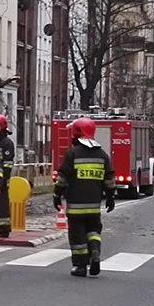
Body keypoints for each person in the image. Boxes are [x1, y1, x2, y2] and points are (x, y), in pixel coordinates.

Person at [56, 117, 115, 277]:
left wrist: (57, 195)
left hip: (76, 205)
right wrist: (110, 197)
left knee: (77, 236)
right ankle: (95, 253)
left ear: (76, 132)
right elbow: (109, 179)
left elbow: (63, 178)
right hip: (94, 205)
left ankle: (80, 266)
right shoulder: (102, 155)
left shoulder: (72, 154)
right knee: (94, 231)